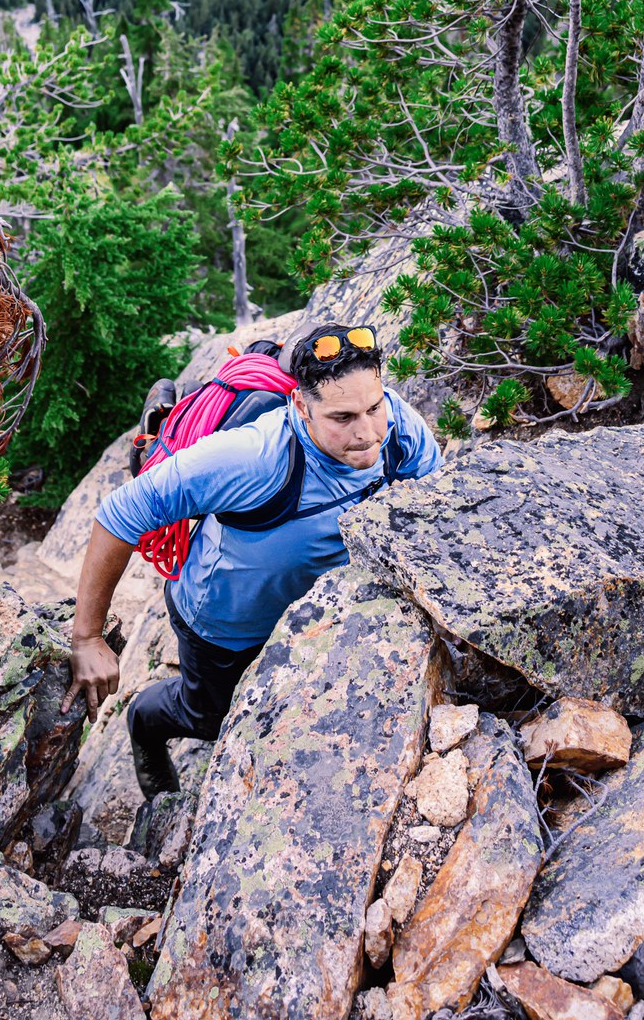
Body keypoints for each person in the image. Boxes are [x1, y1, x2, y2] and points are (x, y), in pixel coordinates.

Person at [68, 324, 441, 797]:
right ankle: (146, 722)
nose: (368, 433)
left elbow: (431, 513)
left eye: (373, 407)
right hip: (225, 621)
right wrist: (86, 638)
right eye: (343, 417)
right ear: (301, 407)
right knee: (209, 718)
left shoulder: (398, 428)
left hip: (316, 609)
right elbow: (120, 513)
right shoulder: (253, 457)